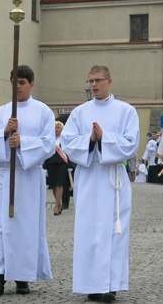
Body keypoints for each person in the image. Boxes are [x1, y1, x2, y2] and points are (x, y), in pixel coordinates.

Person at [60, 65, 139, 302]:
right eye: (90, 81)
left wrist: (105, 138)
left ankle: (110, 285)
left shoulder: (126, 111)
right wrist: (90, 139)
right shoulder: (80, 112)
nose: (93, 85)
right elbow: (68, 142)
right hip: (88, 178)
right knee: (88, 232)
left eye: (98, 80)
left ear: (109, 81)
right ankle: (91, 284)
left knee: (114, 231)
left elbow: (130, 144)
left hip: (113, 179)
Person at [0, 65, 56, 296]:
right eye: (14, 81)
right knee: (0, 227)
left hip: (28, 175)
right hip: (4, 174)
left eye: (22, 82)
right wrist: (4, 133)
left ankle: (23, 277)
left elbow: (48, 143)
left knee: (25, 226)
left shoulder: (43, 111)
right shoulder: (1, 112)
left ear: (32, 84)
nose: (18, 86)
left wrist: (23, 143)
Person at [43, 121, 73, 215]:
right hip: (51, 163)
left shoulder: (64, 139)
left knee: (60, 184)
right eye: (55, 127)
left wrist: (69, 166)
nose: (56, 129)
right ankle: (58, 202)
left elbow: (68, 152)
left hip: (62, 164)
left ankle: (56, 206)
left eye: (58, 127)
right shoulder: (50, 139)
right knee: (54, 185)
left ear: (62, 129)